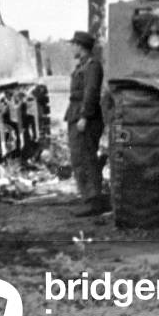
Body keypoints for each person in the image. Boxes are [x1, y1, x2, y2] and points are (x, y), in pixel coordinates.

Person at [64, 30, 106, 216]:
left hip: (85, 117)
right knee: (79, 158)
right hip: (76, 114)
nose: (72, 48)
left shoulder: (92, 66)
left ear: (80, 46)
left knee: (86, 159)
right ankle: (89, 198)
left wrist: (84, 117)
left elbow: (91, 92)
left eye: (74, 45)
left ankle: (93, 201)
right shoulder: (83, 65)